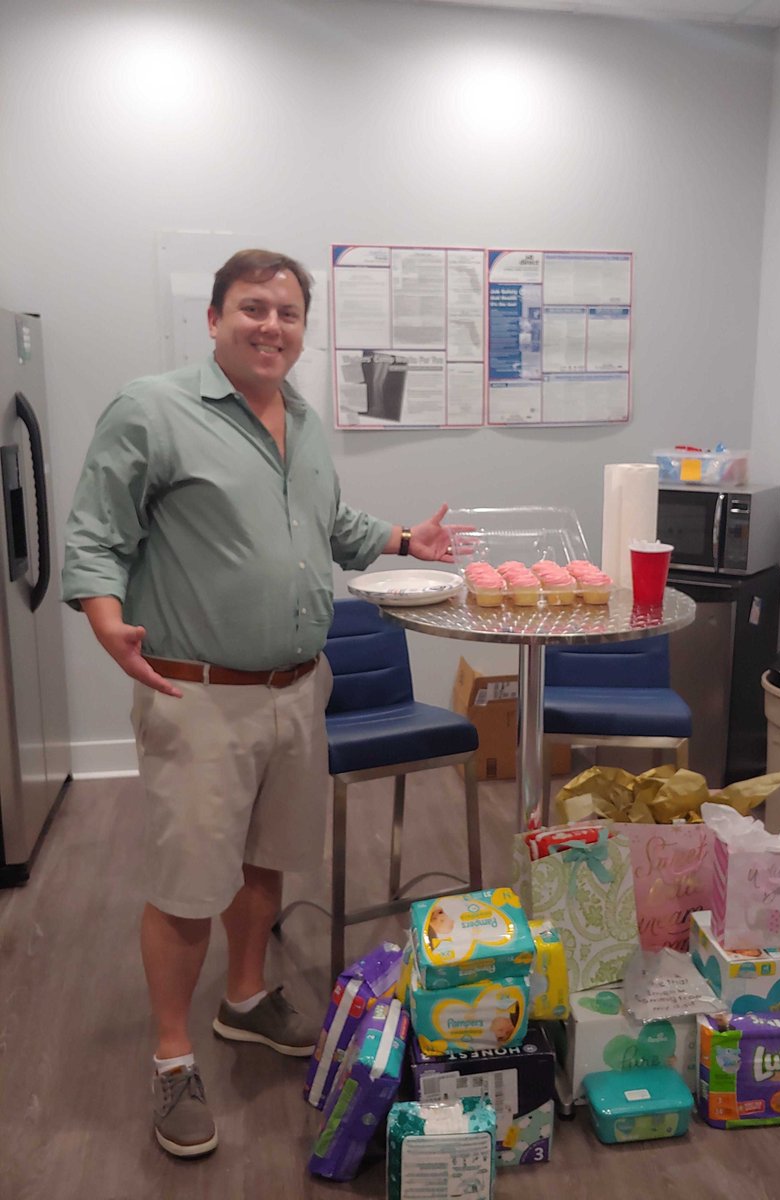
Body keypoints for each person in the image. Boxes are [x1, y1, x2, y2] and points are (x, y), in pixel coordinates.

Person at [62, 248, 467, 1160]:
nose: (270, 326)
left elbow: (330, 527)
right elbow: (94, 532)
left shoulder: (305, 422)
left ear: (302, 330)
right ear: (214, 319)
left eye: (287, 313)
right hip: (198, 694)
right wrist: (105, 619)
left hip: (295, 689)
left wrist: (407, 537)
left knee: (266, 858)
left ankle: (245, 998)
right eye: (252, 308)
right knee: (186, 885)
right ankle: (173, 1059)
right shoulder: (153, 409)